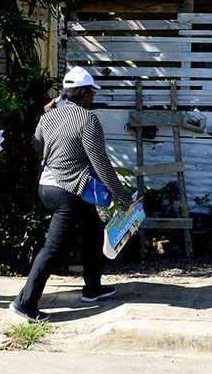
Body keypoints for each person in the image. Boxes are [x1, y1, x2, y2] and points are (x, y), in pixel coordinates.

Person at [10, 67, 133, 322]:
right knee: (53, 249)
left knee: (92, 230)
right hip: (68, 190)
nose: (93, 99)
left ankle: (92, 288)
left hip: (47, 187)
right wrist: (123, 197)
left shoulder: (48, 117)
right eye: (92, 93)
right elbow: (101, 164)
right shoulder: (88, 120)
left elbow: (38, 147)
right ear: (84, 93)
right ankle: (25, 302)